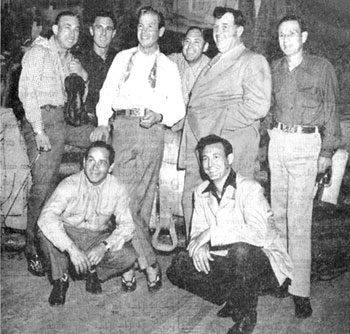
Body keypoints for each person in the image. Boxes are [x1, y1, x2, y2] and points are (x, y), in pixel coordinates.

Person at [90, 6, 185, 292]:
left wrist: (160, 116)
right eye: (141, 26)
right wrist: (103, 122)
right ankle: (149, 263)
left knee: (141, 204)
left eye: (150, 27)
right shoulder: (122, 58)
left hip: (151, 132)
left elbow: (178, 107)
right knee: (126, 201)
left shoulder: (167, 66)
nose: (144, 31)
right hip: (123, 128)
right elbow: (106, 94)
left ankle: (129, 267)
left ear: (161, 32)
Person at [167, 135, 293, 334]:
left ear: (230, 159)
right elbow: (196, 235)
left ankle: (247, 315)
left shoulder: (250, 189)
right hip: (227, 262)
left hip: (263, 264)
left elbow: (258, 235)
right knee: (179, 265)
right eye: (205, 159)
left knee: (241, 251)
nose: (210, 164)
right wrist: (200, 246)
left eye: (216, 157)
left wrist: (212, 233)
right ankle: (235, 295)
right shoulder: (200, 192)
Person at [267, 15, 341, 318]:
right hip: (279, 141)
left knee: (299, 219)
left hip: (306, 144)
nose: (286, 40)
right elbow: (268, 106)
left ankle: (300, 290)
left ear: (304, 36)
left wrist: (326, 152)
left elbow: (332, 110)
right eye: (282, 35)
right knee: (279, 214)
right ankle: (283, 277)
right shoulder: (274, 69)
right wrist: (269, 132)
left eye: (292, 34)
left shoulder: (322, 67)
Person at [178, 7, 271, 239]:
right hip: (200, 145)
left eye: (225, 27)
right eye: (216, 27)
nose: (218, 33)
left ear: (239, 31)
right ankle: (198, 263)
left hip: (229, 147)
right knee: (195, 203)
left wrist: (215, 122)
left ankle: (224, 271)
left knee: (230, 212)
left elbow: (258, 106)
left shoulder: (252, 60)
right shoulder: (216, 60)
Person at [18, 11, 94, 277]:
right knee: (43, 187)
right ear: (54, 28)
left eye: (76, 29)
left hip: (63, 121)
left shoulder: (68, 59)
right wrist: (39, 131)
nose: (71, 33)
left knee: (101, 139)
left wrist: (83, 76)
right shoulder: (39, 53)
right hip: (42, 119)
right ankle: (33, 248)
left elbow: (77, 100)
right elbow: (27, 94)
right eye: (66, 27)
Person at [37, 141, 138, 306]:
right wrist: (71, 249)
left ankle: (94, 272)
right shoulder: (69, 185)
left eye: (102, 163)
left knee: (128, 256)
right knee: (44, 233)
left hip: (95, 237)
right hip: (68, 233)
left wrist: (104, 246)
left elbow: (127, 226)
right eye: (91, 160)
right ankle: (61, 279)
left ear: (111, 167)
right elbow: (46, 218)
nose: (95, 167)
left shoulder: (117, 188)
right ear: (83, 162)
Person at [78, 11, 117, 125]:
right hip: (87, 122)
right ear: (91, 30)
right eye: (99, 27)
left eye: (108, 29)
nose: (103, 33)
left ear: (114, 33)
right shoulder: (80, 59)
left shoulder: (120, 59)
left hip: (114, 121)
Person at [168, 26, 210, 106]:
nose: (190, 46)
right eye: (187, 41)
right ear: (183, 43)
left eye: (196, 42)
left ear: (205, 47)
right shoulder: (174, 61)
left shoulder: (211, 70)